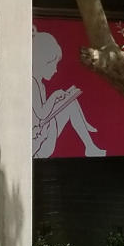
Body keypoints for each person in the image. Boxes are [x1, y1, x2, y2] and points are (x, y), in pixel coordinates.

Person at [32, 28, 105, 158]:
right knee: (69, 104)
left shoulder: (39, 84)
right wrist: (54, 97)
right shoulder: (32, 83)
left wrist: (58, 99)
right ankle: (89, 144)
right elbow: (42, 115)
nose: (55, 70)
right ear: (43, 62)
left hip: (43, 133)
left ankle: (90, 146)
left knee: (69, 101)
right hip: (38, 142)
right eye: (53, 65)